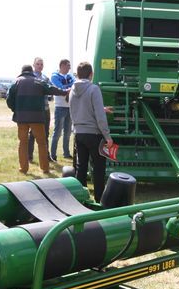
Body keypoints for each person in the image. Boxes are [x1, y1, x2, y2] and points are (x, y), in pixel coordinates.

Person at [7, 64, 67, 175]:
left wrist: (16, 109)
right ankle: (44, 168)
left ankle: (23, 168)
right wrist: (65, 92)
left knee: (23, 142)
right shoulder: (38, 81)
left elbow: (9, 99)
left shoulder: (16, 82)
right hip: (37, 117)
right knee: (42, 143)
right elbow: (52, 89)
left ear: (22, 71)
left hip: (21, 118)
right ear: (31, 71)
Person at [69, 62, 114, 202]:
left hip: (79, 133)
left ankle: (80, 198)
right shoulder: (94, 89)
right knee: (99, 168)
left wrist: (102, 108)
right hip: (94, 134)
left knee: (81, 167)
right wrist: (108, 137)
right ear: (91, 74)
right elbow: (100, 118)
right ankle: (99, 198)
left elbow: (78, 109)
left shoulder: (72, 89)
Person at [27, 57, 53, 163]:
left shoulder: (46, 78)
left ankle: (46, 156)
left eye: (41, 64)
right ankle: (29, 156)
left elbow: (51, 90)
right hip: (35, 109)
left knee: (46, 133)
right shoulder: (30, 78)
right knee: (32, 133)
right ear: (33, 65)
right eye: (38, 64)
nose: (40, 66)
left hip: (45, 108)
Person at [50, 59, 76, 161]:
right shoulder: (54, 76)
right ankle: (53, 154)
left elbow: (75, 85)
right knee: (57, 132)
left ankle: (66, 153)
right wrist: (68, 89)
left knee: (68, 132)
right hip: (60, 107)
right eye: (68, 66)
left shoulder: (70, 76)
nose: (69, 68)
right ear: (62, 66)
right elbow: (59, 88)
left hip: (70, 107)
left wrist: (66, 89)